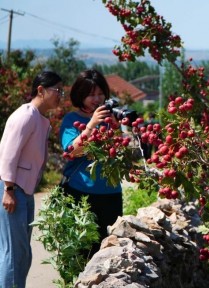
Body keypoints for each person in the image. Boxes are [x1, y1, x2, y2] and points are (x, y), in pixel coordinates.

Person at [0, 71, 63, 288]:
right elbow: (8, 153)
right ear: (40, 90)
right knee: (14, 252)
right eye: (57, 90)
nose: (60, 96)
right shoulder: (26, 115)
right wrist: (8, 189)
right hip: (13, 189)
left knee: (22, 252)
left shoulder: (40, 119)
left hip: (24, 191)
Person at [59, 69, 122, 256]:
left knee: (109, 250)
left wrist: (117, 128)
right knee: (82, 251)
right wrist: (91, 125)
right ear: (80, 96)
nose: (97, 99)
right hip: (81, 193)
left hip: (111, 192)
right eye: (91, 95)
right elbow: (73, 152)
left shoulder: (109, 120)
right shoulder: (72, 120)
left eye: (100, 94)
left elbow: (121, 152)